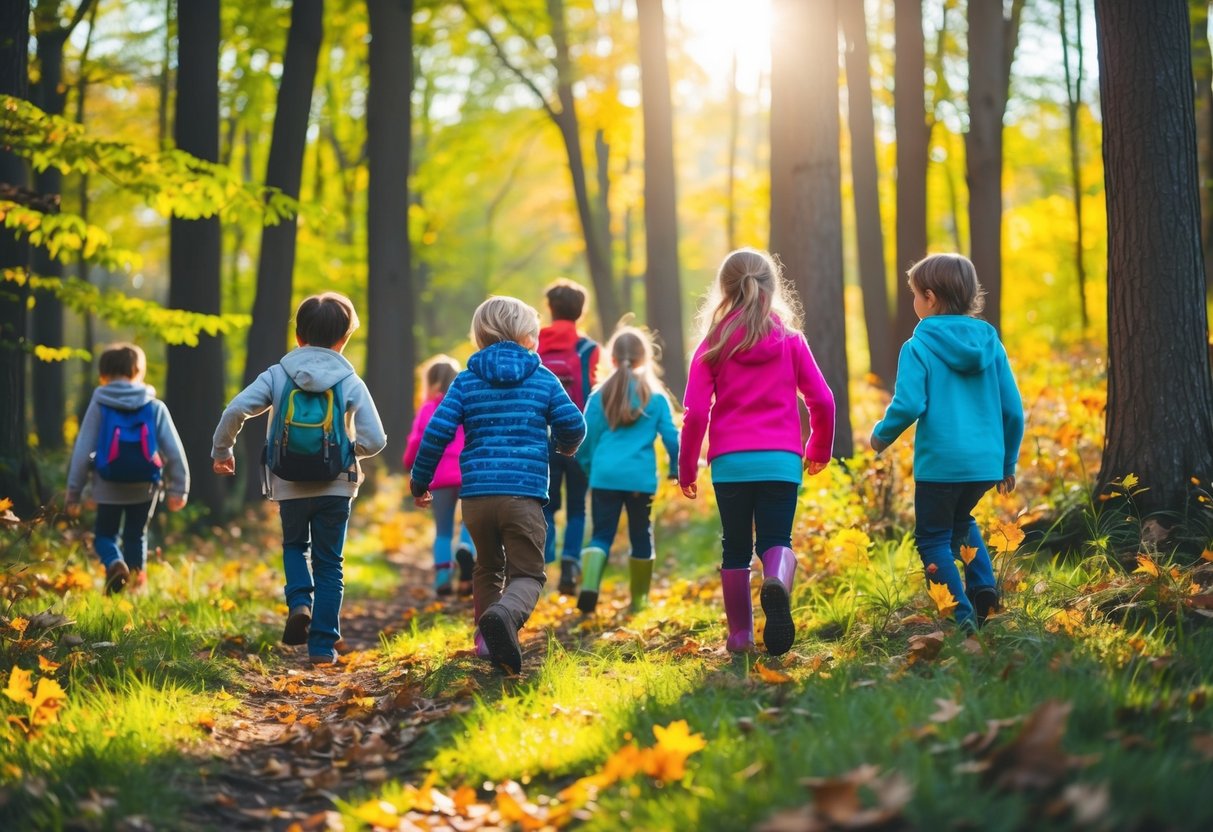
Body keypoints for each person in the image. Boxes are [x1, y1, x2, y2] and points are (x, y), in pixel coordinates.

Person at [411, 296, 586, 674]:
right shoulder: (542, 378)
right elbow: (574, 424)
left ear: (480, 335)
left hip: (475, 497)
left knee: (486, 568)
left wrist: (420, 479)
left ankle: (487, 641)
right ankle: (504, 617)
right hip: (522, 495)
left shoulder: (466, 380)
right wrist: (564, 447)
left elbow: (436, 431)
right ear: (528, 335)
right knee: (527, 573)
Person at [211, 292, 386, 665]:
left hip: (288, 482)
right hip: (336, 485)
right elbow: (376, 439)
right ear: (344, 339)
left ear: (299, 336)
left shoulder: (278, 374)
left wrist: (222, 451)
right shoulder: (350, 380)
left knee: (294, 546)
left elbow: (236, 409)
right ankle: (322, 646)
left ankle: (299, 602)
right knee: (329, 562)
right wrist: (348, 452)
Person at [679, 248, 835, 656]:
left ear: (724, 289)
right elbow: (823, 400)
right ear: (772, 285)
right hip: (781, 460)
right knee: (775, 538)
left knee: (735, 546)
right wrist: (818, 446)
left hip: (731, 462)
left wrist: (687, 468)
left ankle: (741, 636)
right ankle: (778, 581)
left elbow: (695, 413)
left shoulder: (713, 344)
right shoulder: (791, 341)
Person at [870, 253, 1023, 630]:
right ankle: (983, 588)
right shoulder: (990, 343)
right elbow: (1014, 411)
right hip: (985, 464)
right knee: (961, 520)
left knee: (934, 537)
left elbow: (908, 404)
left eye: (915, 296)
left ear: (930, 297)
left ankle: (961, 619)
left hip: (941, 465)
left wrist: (880, 436)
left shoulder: (918, 346)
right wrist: (1008, 463)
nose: (914, 304)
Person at [66, 343, 190, 595]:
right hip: (144, 486)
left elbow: (82, 449)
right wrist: (180, 488)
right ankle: (134, 587)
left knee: (105, 535)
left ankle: (114, 563)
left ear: (104, 372)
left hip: (108, 484)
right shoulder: (154, 406)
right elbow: (174, 450)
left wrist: (73, 493)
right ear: (138, 371)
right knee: (137, 535)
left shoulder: (100, 403)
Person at [576, 326, 679, 615]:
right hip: (639, 479)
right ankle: (639, 600)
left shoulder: (599, 395)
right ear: (644, 358)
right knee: (640, 534)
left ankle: (590, 586)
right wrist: (675, 468)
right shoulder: (655, 397)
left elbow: (586, 439)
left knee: (601, 534)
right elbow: (672, 438)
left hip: (605, 476)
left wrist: (589, 468)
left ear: (611, 358)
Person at [536, 279, 600, 595]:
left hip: (542, 438)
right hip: (578, 437)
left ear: (550, 309)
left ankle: (543, 561)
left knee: (546, 505)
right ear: (580, 312)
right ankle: (571, 561)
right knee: (577, 507)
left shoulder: (534, 347)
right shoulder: (589, 349)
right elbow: (593, 393)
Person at [403, 355, 476, 597]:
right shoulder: (466, 404)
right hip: (467, 473)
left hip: (440, 476)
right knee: (471, 522)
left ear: (431, 382)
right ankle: (467, 556)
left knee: (443, 529)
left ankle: (443, 578)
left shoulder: (428, 408)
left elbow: (416, 441)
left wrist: (409, 466)